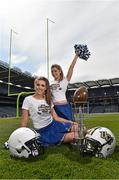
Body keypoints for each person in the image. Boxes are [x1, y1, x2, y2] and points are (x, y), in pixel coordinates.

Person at [21, 77, 79, 146]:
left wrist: (71, 122)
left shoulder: (48, 100)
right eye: (38, 84)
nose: (39, 87)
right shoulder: (28, 100)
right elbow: (24, 120)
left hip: (54, 124)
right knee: (75, 136)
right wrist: (21, 135)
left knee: (79, 128)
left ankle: (93, 134)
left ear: (45, 88)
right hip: (43, 131)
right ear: (35, 85)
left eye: (42, 85)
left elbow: (56, 118)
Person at [50, 54, 79, 121]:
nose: (53, 73)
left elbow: (71, 67)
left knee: (72, 125)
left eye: (55, 71)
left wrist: (76, 56)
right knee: (60, 127)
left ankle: (87, 131)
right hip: (55, 108)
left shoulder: (64, 81)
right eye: (52, 71)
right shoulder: (50, 83)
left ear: (60, 71)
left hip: (65, 107)